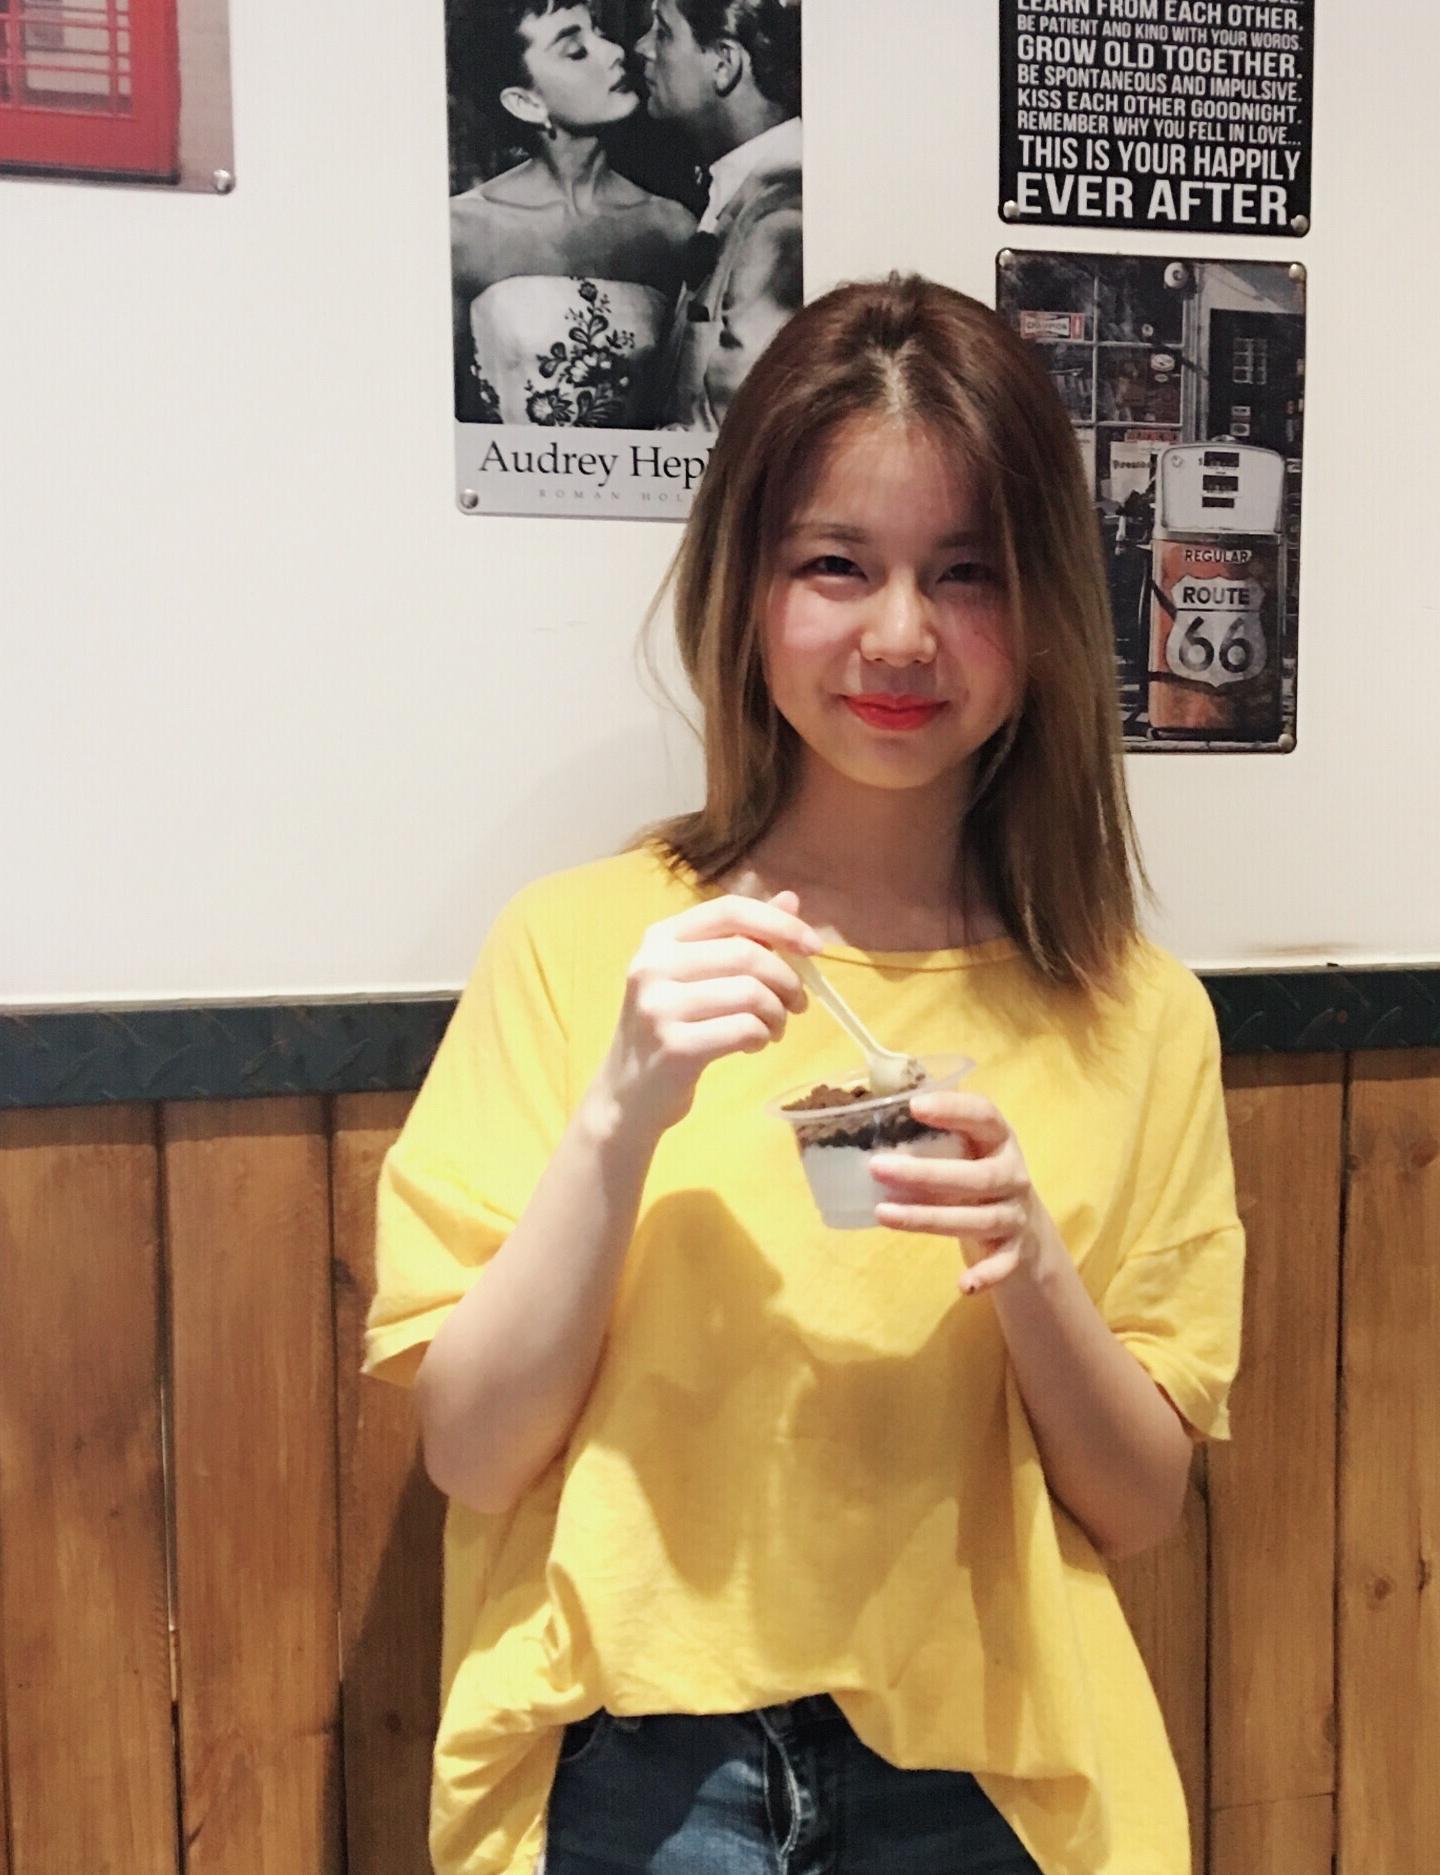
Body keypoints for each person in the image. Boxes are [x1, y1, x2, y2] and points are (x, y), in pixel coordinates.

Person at [365, 275, 1246, 1875]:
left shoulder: (1137, 1012)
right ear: (746, 587)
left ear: (1044, 603)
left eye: (965, 572)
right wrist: (623, 1108)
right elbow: (470, 1451)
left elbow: (1135, 1507)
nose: (899, 634)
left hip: (995, 1785)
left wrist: (1027, 1258)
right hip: (638, 1776)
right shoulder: (582, 947)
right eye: (835, 563)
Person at [448, 0, 694, 427]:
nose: (614, 52)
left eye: (599, 33)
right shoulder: (461, 232)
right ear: (526, 102)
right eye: (575, 51)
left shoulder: (672, 229)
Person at [635, 0, 802, 429]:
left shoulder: (782, 217)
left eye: (663, 33)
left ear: (723, 64)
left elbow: (730, 436)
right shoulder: (740, 188)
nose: (642, 48)